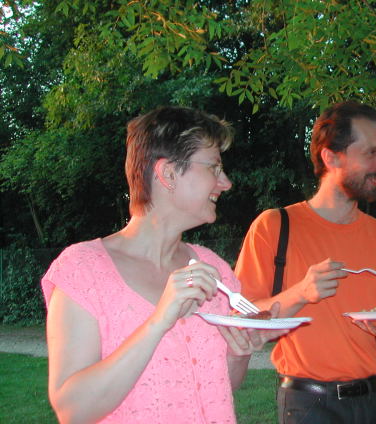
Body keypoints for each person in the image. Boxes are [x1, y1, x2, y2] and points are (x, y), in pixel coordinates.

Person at [42, 106, 286, 424]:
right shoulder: (83, 270)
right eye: (214, 167)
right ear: (168, 173)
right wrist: (159, 321)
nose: (225, 183)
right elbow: (72, 410)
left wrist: (238, 353)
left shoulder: (215, 271)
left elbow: (220, 388)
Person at [234, 101, 376, 424]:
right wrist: (301, 292)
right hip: (308, 406)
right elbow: (242, 318)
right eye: (372, 153)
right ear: (330, 157)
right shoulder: (274, 227)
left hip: (375, 403)